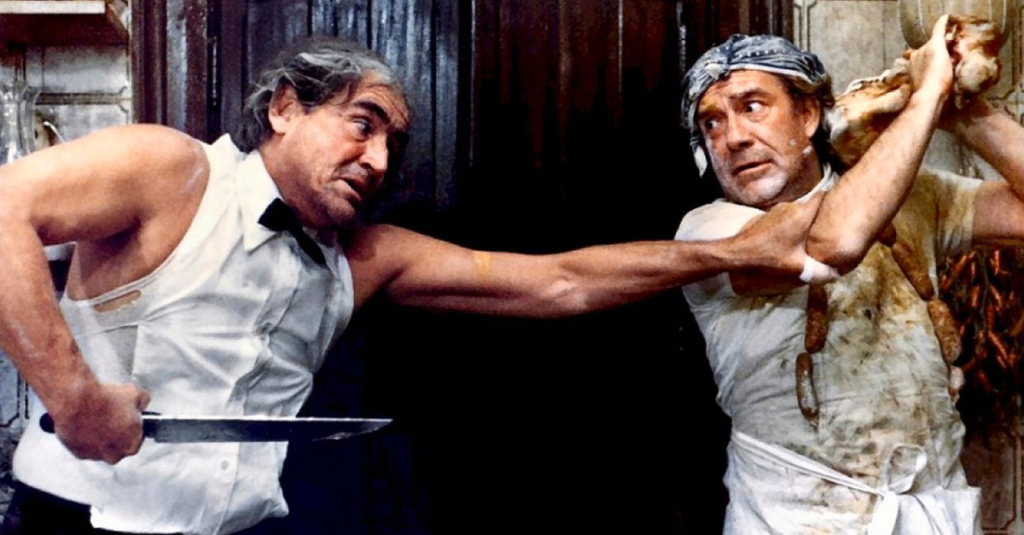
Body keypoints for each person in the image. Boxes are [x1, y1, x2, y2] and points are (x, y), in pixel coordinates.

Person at [0, 36, 828, 535]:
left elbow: (560, 283)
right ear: (284, 108)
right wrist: (73, 396)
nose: (378, 160)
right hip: (75, 521)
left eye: (392, 144)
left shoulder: (364, 259)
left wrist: (731, 249)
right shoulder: (172, 169)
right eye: (361, 125)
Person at [675, 14, 1024, 533]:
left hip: (928, 508)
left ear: (808, 114)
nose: (734, 138)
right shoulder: (710, 232)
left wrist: (966, 111)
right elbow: (834, 244)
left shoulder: (912, 197)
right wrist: (927, 98)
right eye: (712, 123)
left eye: (752, 107)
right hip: (792, 517)